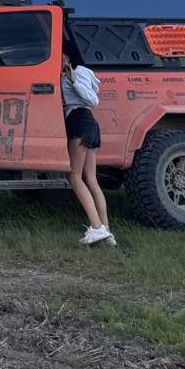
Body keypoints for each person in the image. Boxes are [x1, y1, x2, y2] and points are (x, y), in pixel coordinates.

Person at [62, 43, 113, 245]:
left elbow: (93, 100)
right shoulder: (69, 74)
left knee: (74, 176)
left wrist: (72, 79)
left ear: (70, 56)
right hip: (88, 123)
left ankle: (96, 227)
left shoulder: (79, 72)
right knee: (90, 179)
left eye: (63, 56)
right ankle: (106, 231)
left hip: (79, 120)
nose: (60, 60)